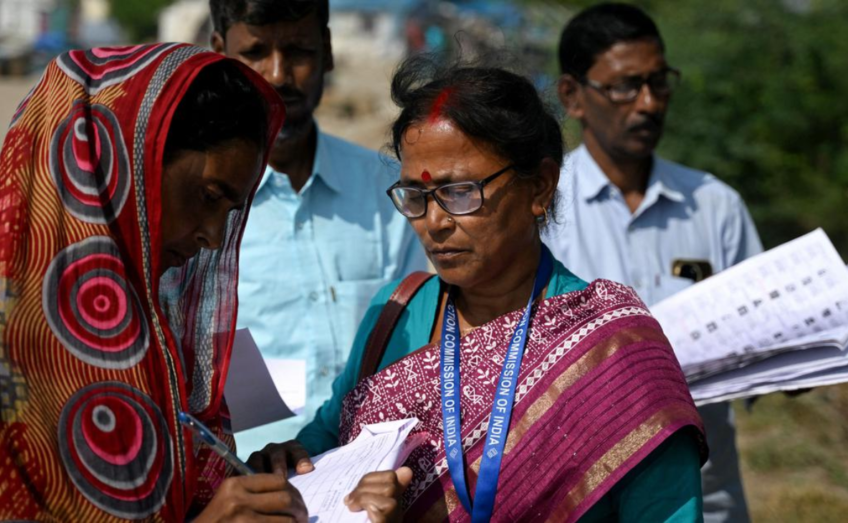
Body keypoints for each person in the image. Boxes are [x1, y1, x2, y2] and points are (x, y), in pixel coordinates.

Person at [295, 55, 708, 521]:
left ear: (540, 188)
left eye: (460, 192)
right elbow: (326, 440)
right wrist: (292, 462)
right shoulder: (397, 313)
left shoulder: (613, 349)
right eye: (416, 196)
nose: (434, 222)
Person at [0, 43, 313, 521]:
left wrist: (251, 478)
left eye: (229, 213)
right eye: (206, 196)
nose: (212, 237)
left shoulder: (162, 345)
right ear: (122, 168)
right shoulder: (2, 346)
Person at [543, 4, 762, 522]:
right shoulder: (543, 210)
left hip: (708, 501)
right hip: (585, 504)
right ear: (572, 96)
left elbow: (765, 336)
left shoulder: (715, 204)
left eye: (659, 83)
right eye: (625, 86)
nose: (648, 103)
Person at [208, 0, 426, 455]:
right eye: (255, 53)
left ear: (326, 51)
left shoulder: (386, 188)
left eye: (298, 51)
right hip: (252, 476)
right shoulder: (204, 206)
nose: (278, 76)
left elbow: (414, 331)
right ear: (219, 54)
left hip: (378, 468)